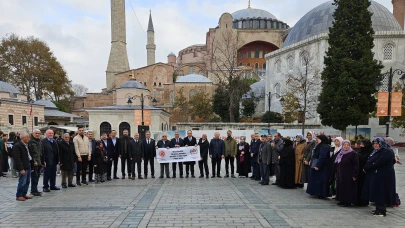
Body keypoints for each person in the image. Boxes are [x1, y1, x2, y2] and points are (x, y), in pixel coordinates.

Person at [362, 137, 396, 217]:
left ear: (381, 143)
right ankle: (378, 208)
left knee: (382, 192)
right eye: (374, 143)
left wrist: (366, 168)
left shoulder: (387, 151)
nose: (375, 145)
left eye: (377, 143)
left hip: (384, 176)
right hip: (377, 175)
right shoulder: (377, 151)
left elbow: (378, 162)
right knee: (377, 192)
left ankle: (381, 210)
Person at [334, 140, 359, 207]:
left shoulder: (353, 153)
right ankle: (342, 200)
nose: (346, 146)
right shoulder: (341, 153)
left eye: (347, 145)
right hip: (341, 173)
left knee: (348, 188)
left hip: (349, 174)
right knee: (341, 187)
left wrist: (355, 175)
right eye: (344, 145)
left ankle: (348, 202)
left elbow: (356, 165)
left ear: (350, 146)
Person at [306, 135, 331, 199]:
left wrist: (318, 165)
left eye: (318, 139)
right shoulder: (318, 145)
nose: (317, 140)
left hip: (322, 166)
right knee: (315, 179)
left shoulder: (324, 146)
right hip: (315, 163)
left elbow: (322, 157)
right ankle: (315, 192)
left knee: (320, 180)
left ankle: (321, 193)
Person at [13, 133, 34, 201]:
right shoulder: (18, 145)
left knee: (27, 181)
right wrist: (21, 169)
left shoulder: (27, 145)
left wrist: (32, 165)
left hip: (28, 164)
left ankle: (24, 194)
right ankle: (19, 195)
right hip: (23, 166)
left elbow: (30, 155)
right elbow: (17, 158)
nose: (28, 139)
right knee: (22, 181)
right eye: (27, 137)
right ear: (23, 138)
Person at [27, 129, 43, 196]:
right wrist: (33, 161)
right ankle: (33, 190)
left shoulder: (39, 141)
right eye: (36, 133)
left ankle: (35, 189)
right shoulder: (31, 141)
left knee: (37, 176)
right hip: (34, 162)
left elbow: (41, 152)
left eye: (38, 133)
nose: (37, 134)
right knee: (34, 177)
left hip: (39, 161)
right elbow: (30, 152)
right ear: (33, 134)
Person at [357, 139, 373, 206]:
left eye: (363, 144)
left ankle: (364, 201)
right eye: (360, 144)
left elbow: (365, 159)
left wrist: (357, 156)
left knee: (364, 187)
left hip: (365, 172)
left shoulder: (370, 152)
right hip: (359, 171)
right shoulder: (360, 151)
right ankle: (358, 200)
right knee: (358, 186)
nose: (361, 146)